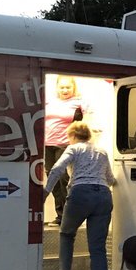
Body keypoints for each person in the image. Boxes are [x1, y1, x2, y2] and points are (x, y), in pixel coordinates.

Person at [44, 121, 114, 270]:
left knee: (67, 233)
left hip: (80, 194)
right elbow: (110, 178)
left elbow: (57, 169)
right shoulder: (102, 151)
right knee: (98, 247)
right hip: (103, 196)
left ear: (72, 136)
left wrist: (45, 193)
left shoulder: (73, 149)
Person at [44, 76, 90, 225]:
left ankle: (68, 214)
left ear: (73, 88)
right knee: (52, 178)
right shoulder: (49, 101)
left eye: (68, 87)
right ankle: (61, 215)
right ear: (57, 88)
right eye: (62, 87)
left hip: (64, 144)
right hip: (47, 143)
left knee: (63, 178)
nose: (65, 90)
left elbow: (90, 115)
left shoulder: (78, 102)